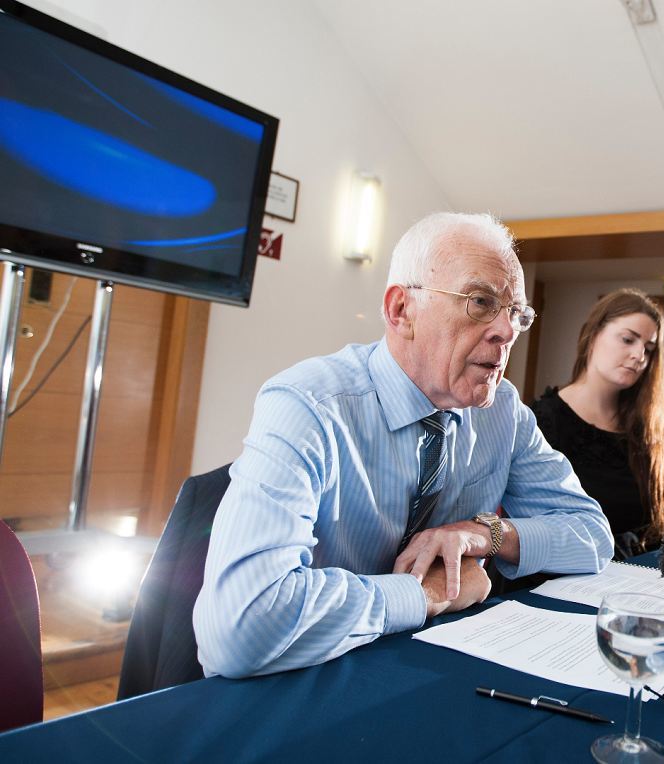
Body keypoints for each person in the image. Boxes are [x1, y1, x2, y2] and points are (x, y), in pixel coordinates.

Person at [192, 212, 614, 678]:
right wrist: (427, 592)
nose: (507, 331)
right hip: (309, 677)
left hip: (433, 670)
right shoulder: (308, 405)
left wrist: (487, 534)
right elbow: (239, 629)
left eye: (516, 313)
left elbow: (592, 537)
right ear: (401, 311)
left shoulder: (502, 411)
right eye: (480, 302)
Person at [530, 288, 664, 560]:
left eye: (649, 348)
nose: (639, 355)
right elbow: (536, 527)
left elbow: (659, 529)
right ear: (593, 335)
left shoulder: (643, 432)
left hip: (637, 584)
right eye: (627, 339)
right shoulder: (539, 422)